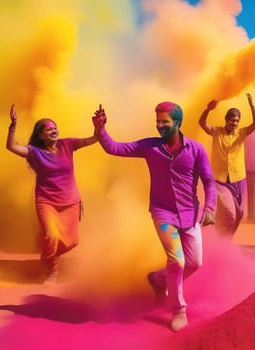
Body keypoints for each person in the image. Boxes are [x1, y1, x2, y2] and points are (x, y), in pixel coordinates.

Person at [92, 102, 216, 332]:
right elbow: (115, 148)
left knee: (194, 263)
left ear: (178, 123)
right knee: (177, 261)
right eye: (157, 121)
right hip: (163, 213)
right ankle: (178, 310)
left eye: (165, 122)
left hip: (190, 214)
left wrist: (209, 207)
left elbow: (209, 181)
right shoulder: (150, 147)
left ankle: (158, 280)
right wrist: (101, 131)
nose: (159, 126)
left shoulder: (196, 149)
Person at [5, 104, 97, 285]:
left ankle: (48, 255)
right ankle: (52, 272)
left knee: (72, 241)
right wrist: (13, 125)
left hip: (70, 200)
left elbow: (91, 140)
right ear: (41, 135)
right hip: (46, 201)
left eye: (55, 128)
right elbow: (11, 147)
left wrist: (99, 129)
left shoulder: (67, 144)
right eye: (49, 129)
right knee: (52, 235)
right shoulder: (34, 152)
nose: (54, 131)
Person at [198, 93, 255, 236]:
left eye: (237, 121)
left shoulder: (242, 132)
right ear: (226, 120)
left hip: (239, 179)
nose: (234, 123)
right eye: (232, 120)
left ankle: (225, 240)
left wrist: (252, 105)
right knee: (230, 213)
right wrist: (207, 110)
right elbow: (202, 123)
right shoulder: (216, 131)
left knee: (239, 214)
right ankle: (220, 237)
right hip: (220, 180)